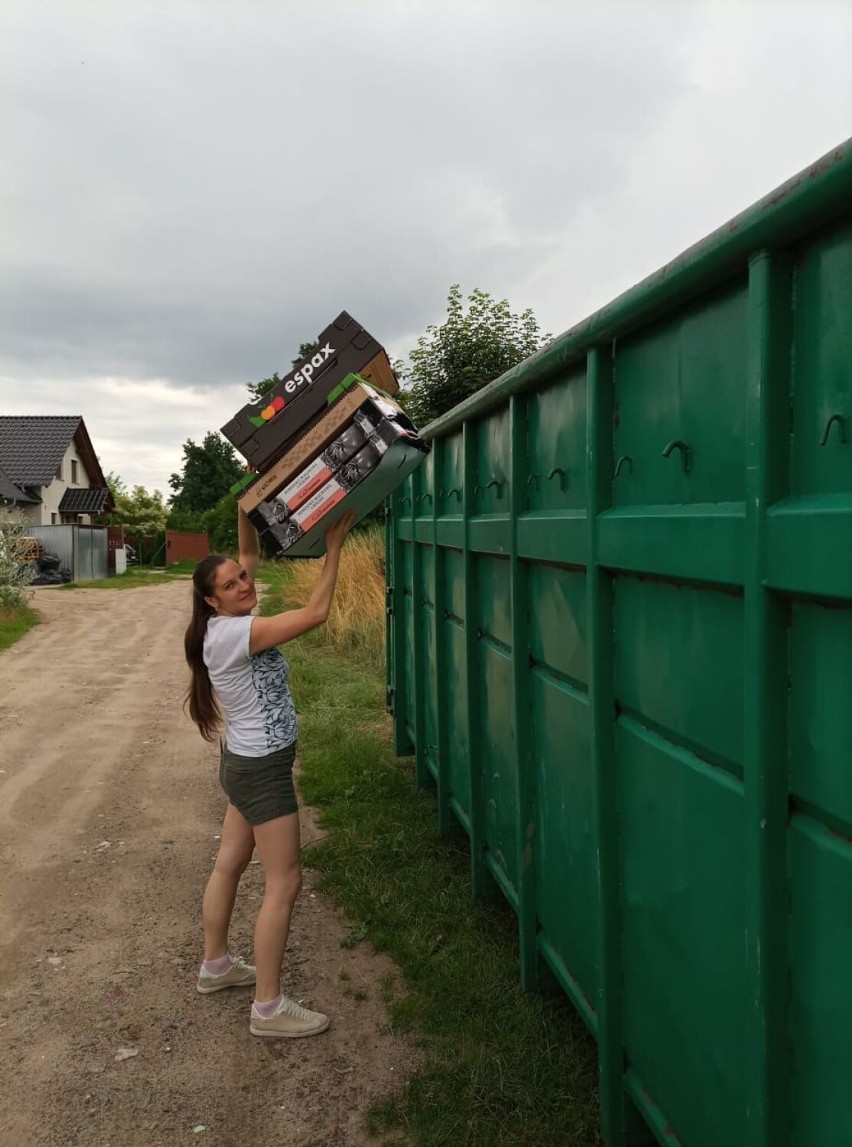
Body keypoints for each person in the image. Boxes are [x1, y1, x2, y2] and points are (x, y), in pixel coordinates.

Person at [183, 505, 356, 1038]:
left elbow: (252, 552)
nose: (244, 584)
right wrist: (332, 551)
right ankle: (268, 1008)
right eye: (231, 584)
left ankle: (216, 967)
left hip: (244, 762)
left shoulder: (225, 621)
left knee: (229, 865)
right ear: (211, 600)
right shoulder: (235, 634)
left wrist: (247, 508)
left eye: (241, 577)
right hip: (261, 770)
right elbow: (316, 613)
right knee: (286, 880)